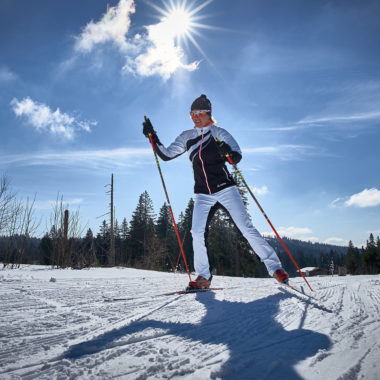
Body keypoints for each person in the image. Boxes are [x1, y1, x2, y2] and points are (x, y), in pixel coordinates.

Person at [143, 94, 288, 289]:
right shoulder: (187, 136)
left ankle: (275, 267)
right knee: (196, 232)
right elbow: (166, 155)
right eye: (192, 113)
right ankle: (203, 276)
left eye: (199, 113)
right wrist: (153, 136)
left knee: (245, 228)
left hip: (225, 189)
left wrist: (226, 151)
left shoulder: (219, 132)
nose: (195, 117)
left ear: (209, 114)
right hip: (203, 193)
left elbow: (235, 157)